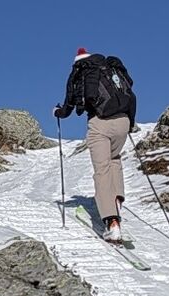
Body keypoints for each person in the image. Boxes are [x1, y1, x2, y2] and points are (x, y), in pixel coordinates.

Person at [54, 47, 136, 242]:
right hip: (123, 121)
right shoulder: (110, 67)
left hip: (100, 122)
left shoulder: (81, 71)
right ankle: (117, 198)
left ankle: (111, 221)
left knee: (102, 170)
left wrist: (58, 112)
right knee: (114, 159)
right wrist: (130, 123)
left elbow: (69, 104)